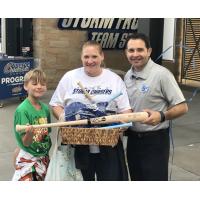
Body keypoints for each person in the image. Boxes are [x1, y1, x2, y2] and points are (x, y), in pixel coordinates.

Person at [49, 40, 132, 181]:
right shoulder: (70, 77)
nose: (90, 61)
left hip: (109, 146)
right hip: (77, 146)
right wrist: (64, 117)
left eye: (94, 56)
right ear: (81, 57)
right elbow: (55, 104)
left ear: (102, 56)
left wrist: (122, 124)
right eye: (86, 57)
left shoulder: (114, 79)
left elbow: (126, 111)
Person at [124, 33, 188, 181]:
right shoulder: (128, 76)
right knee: (136, 179)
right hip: (133, 140)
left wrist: (162, 116)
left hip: (155, 141)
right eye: (131, 50)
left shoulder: (162, 75)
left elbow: (182, 107)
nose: (135, 54)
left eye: (140, 50)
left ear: (149, 51)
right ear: (126, 53)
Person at [12, 68, 52, 181]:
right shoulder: (22, 110)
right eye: (34, 83)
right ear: (25, 86)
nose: (39, 86)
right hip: (28, 158)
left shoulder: (45, 109)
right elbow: (26, 142)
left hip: (43, 156)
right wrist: (29, 133)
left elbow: (46, 135)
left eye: (42, 84)